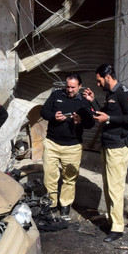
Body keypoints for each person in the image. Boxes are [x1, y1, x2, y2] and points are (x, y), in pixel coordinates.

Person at [82, 64, 128, 242]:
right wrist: (92, 101)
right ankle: (112, 220)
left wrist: (110, 118)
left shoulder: (123, 93)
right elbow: (104, 114)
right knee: (108, 186)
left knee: (115, 188)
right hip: (107, 145)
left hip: (118, 146)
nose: (98, 85)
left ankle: (117, 228)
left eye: (99, 81)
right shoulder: (110, 94)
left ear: (107, 77)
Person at [40, 74, 95, 219]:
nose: (69, 90)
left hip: (72, 146)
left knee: (69, 178)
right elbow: (43, 111)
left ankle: (65, 206)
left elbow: (91, 123)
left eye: (73, 87)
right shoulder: (56, 94)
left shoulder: (84, 101)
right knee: (49, 176)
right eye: (68, 86)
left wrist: (81, 120)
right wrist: (54, 116)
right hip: (52, 143)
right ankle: (51, 204)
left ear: (80, 86)